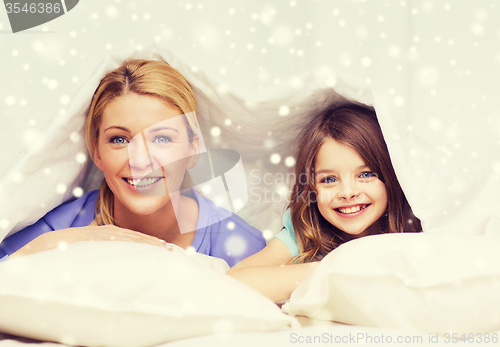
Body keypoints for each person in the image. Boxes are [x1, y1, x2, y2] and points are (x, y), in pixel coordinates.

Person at [0, 59, 265, 267]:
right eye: (119, 139)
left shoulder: (239, 244)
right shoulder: (62, 226)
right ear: (97, 152)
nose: (139, 161)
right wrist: (74, 239)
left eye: (161, 138)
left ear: (193, 149)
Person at [227, 102, 421, 301]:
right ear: (311, 188)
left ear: (392, 177)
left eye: (365, 174)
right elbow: (234, 281)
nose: (347, 193)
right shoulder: (306, 233)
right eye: (329, 179)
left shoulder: (415, 227)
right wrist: (334, 267)